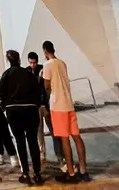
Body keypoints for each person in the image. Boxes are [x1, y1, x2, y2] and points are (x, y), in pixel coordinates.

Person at [41, 41, 90, 184]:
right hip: (69, 104)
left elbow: (46, 85)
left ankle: (71, 172)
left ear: (45, 51)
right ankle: (83, 171)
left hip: (57, 106)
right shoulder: (62, 63)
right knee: (76, 137)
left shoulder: (47, 65)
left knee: (64, 139)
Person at [0, 50, 44, 186]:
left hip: (14, 110)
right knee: (33, 141)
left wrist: (5, 108)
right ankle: (37, 174)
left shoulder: (6, 75)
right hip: (30, 109)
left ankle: (25, 173)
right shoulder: (28, 74)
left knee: (20, 141)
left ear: (8, 60)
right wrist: (35, 105)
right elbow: (38, 91)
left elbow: (0, 95)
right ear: (19, 59)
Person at [27, 51, 60, 166]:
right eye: (31, 63)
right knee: (39, 131)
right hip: (35, 106)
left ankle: (59, 155)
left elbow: (47, 86)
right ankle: (42, 153)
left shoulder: (43, 68)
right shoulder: (26, 72)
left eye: (34, 62)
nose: (33, 65)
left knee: (53, 130)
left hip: (45, 104)